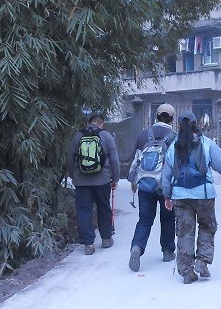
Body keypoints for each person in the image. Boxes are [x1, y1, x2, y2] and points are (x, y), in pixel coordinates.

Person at [161, 111, 221, 284]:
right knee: (207, 226)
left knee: (185, 232)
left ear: (178, 125)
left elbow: (166, 175)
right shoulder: (206, 143)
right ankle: (202, 261)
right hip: (204, 195)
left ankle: (187, 271)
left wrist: (167, 196)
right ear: (196, 123)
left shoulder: (173, 146)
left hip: (181, 196)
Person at [127, 103, 178, 271]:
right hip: (165, 188)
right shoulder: (174, 137)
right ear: (172, 119)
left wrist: (134, 182)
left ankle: (137, 247)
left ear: (155, 117)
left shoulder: (143, 135)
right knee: (168, 218)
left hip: (145, 184)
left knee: (145, 219)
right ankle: (168, 250)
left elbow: (134, 160)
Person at [67, 113, 120, 255]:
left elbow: (70, 157)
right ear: (101, 124)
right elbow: (114, 160)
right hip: (102, 180)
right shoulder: (106, 136)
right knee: (104, 207)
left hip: (81, 180)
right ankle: (106, 238)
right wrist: (115, 178)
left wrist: (73, 176)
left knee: (84, 210)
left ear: (88, 123)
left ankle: (88, 244)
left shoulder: (78, 135)